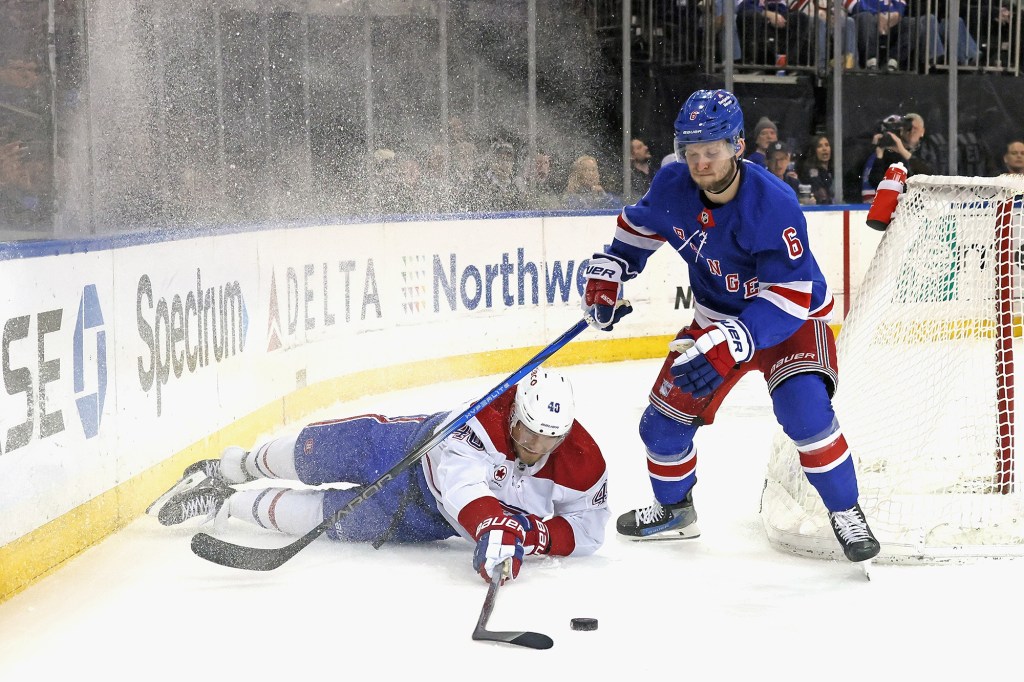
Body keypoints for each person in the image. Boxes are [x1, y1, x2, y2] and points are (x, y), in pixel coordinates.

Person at [580, 88, 880, 564]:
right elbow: (635, 232)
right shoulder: (671, 185)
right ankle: (675, 511)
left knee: (805, 416)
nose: (701, 163)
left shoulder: (774, 202)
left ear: (737, 145)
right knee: (660, 428)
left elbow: (792, 295)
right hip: (716, 320)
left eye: (712, 152)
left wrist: (737, 341)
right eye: (692, 153)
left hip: (788, 322)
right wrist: (610, 271)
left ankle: (846, 512)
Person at [149, 367, 610, 584]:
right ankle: (230, 467)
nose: (535, 449)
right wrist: (494, 525)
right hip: (406, 448)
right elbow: (462, 486)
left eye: (549, 441)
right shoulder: (481, 419)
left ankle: (223, 503)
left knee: (322, 517)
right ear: (514, 416)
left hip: (422, 517)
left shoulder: (584, 461)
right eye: (528, 435)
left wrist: (533, 535)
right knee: (313, 455)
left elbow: (589, 529)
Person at [865, 112, 935, 190]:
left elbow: (929, 176)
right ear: (901, 130)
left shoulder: (928, 148)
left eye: (915, 129)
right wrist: (879, 155)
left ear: (922, 131)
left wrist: (903, 151)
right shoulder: (889, 152)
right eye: (908, 129)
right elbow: (875, 182)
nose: (911, 132)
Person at [798, 133, 835, 204]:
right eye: (820, 146)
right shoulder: (810, 171)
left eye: (827, 145)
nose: (824, 149)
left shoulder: (833, 170)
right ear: (814, 151)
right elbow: (821, 195)